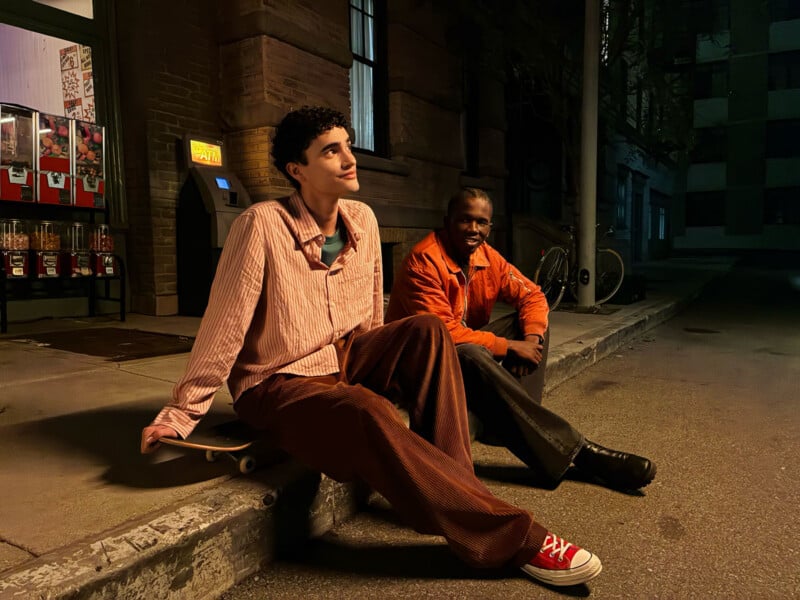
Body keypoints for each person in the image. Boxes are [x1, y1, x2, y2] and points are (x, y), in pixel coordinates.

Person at [141, 107, 603, 587]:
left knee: (426, 328)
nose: (348, 158)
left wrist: (387, 369)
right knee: (361, 406)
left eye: (347, 144)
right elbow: (224, 326)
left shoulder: (362, 218)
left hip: (345, 357)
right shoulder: (260, 225)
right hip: (278, 383)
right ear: (297, 171)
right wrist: (180, 412)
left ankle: (459, 493)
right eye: (330, 150)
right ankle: (511, 536)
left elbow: (373, 319)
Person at [385, 187, 656, 491]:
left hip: (460, 358)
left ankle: (513, 427)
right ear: (448, 221)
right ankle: (580, 453)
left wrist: (531, 337)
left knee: (534, 328)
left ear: (490, 226)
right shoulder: (425, 260)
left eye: (482, 222)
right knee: (473, 351)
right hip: (417, 364)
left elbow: (533, 295)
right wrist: (510, 346)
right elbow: (444, 332)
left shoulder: (487, 259)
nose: (474, 229)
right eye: (465, 220)